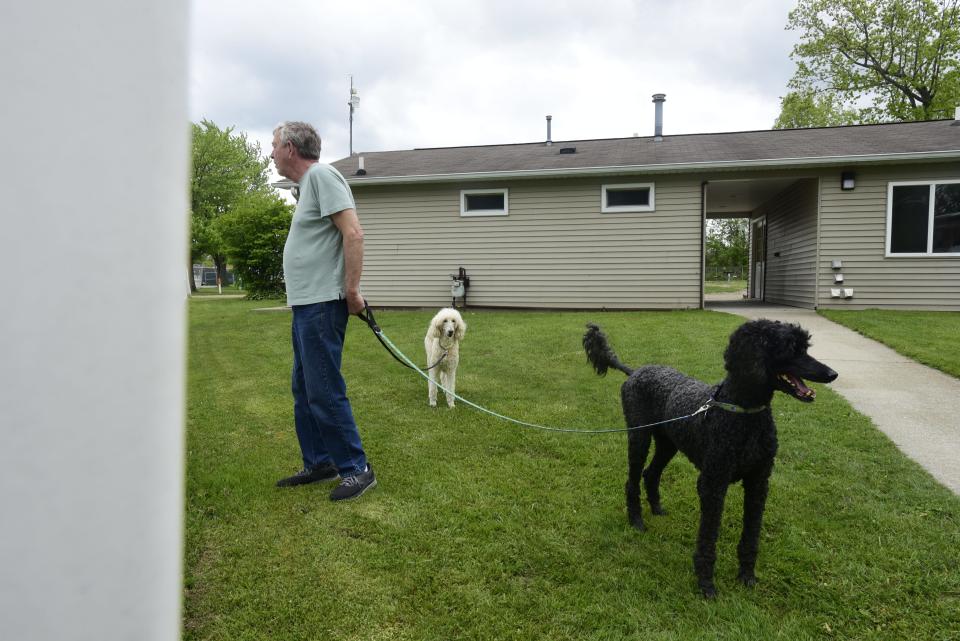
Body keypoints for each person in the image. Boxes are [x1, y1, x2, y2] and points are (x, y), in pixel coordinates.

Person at [270, 121, 376, 501]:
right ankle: (320, 462)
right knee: (305, 387)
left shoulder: (323, 176)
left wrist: (351, 290)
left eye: (274, 145)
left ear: (291, 149)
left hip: (321, 304)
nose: (271, 153)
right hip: (306, 305)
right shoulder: (308, 186)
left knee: (324, 387)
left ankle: (357, 468)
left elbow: (354, 233)